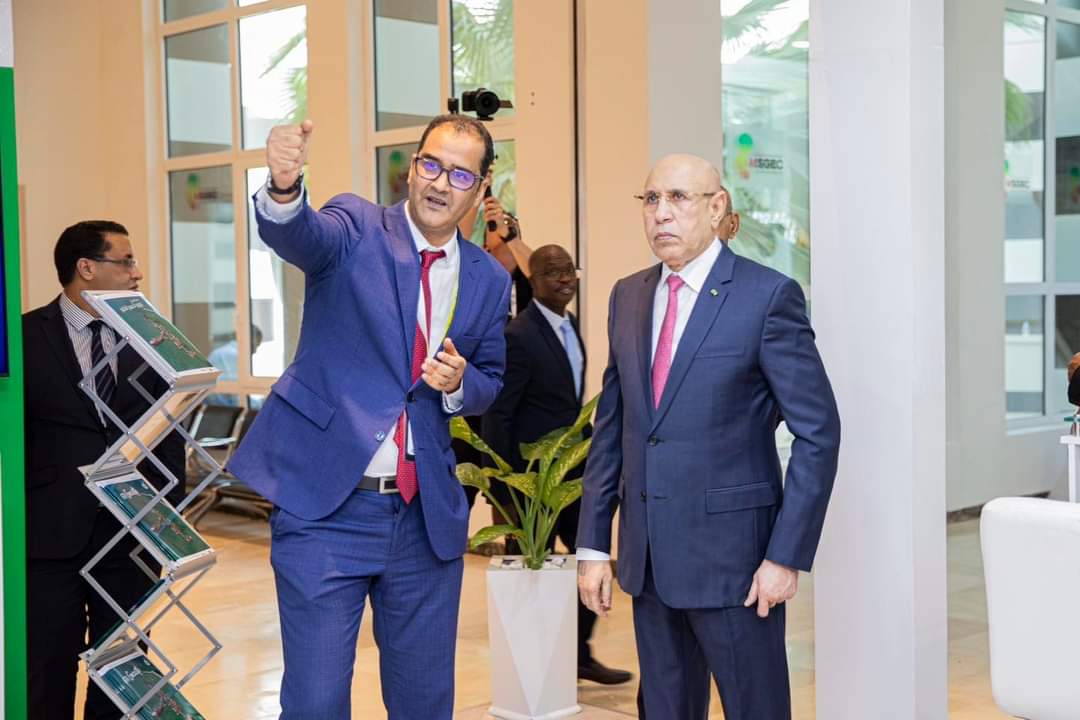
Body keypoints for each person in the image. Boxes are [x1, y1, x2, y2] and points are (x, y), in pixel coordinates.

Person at [227, 114, 512, 719]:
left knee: (423, 704)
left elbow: (491, 378)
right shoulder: (356, 227)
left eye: (460, 174)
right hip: (326, 508)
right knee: (316, 702)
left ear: (482, 188)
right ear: (412, 168)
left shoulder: (487, 277)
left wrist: (460, 385)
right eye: (430, 164)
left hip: (422, 518)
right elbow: (300, 235)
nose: (440, 183)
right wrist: (283, 188)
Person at [575, 154, 841, 719]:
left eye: (678, 198)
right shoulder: (628, 296)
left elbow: (819, 432)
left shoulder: (767, 296)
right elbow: (614, 429)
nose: (661, 213)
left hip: (737, 568)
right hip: (649, 563)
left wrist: (785, 556)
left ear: (717, 207)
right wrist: (595, 546)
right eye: (651, 199)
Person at [24, 220, 185, 720]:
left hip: (131, 534)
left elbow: (169, 429)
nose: (137, 273)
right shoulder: (25, 337)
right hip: (49, 537)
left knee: (123, 669)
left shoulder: (149, 337)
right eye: (126, 261)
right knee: (46, 667)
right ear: (86, 268)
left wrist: (166, 517)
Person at [482, 245, 633, 686]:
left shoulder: (570, 327)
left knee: (590, 555)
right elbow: (497, 415)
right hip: (530, 484)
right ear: (533, 280)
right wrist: (505, 486)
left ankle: (578, 654)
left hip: (571, 475)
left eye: (569, 270)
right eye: (552, 272)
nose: (565, 279)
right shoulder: (519, 335)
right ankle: (533, 671)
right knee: (532, 573)